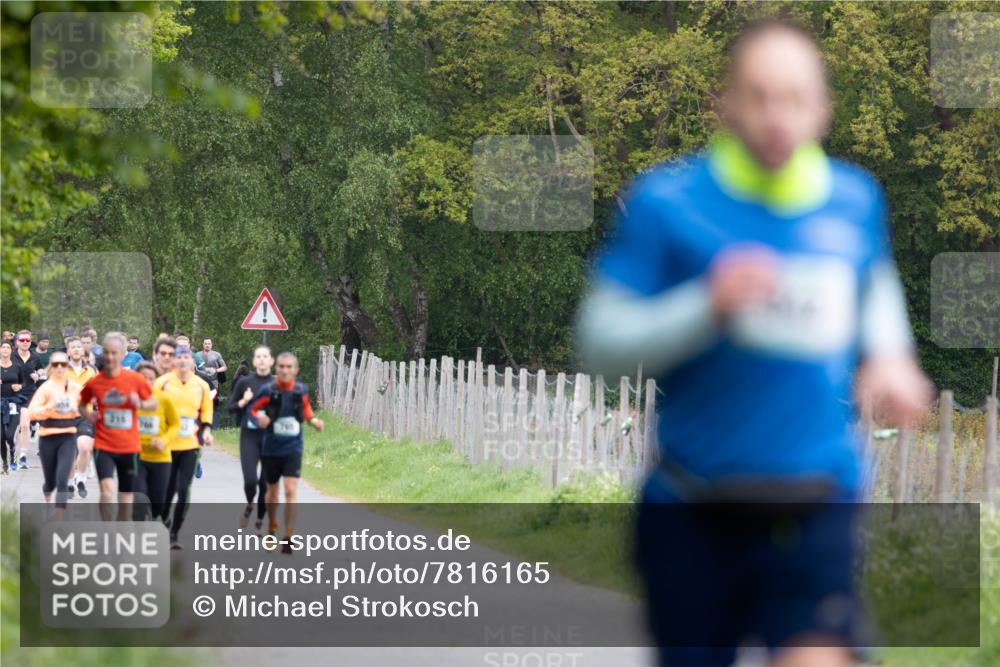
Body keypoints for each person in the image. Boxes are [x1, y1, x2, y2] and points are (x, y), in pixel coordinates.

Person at [576, 18, 931, 667]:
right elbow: (599, 344)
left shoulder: (854, 200)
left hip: (815, 498)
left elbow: (873, 282)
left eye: (795, 98)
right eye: (759, 95)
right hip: (693, 505)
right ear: (725, 102)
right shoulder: (666, 202)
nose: (776, 116)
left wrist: (890, 355)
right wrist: (706, 304)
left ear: (822, 109)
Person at [248, 352, 324, 554]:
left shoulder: (301, 391)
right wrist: (259, 420)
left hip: (293, 448)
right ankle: (272, 526)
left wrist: (314, 422)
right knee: (272, 492)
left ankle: (288, 536)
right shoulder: (268, 390)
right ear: (276, 369)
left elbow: (307, 411)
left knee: (290, 490)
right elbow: (252, 410)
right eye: (281, 366)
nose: (284, 370)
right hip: (271, 448)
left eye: (289, 367)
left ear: (295, 370)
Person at [79, 332, 156, 521]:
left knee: (125, 495)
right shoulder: (95, 382)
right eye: (106, 352)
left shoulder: (135, 380)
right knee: (106, 490)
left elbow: (153, 402)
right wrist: (89, 415)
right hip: (104, 446)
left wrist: (140, 404)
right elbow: (81, 403)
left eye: (114, 353)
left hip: (129, 447)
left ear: (123, 355)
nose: (110, 357)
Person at [156, 346, 213, 549]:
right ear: (173, 361)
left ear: (192, 361)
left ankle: (174, 533)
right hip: (166, 445)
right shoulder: (161, 383)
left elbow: (206, 414)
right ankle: (164, 519)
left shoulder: (201, 385)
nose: (182, 361)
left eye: (186, 357)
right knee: (166, 490)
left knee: (183, 488)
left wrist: (206, 431)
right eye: (178, 357)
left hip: (191, 444)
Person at [25, 351, 81, 517]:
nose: (59, 368)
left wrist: (79, 410)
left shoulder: (75, 388)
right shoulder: (46, 388)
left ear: (67, 366)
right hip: (47, 437)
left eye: (62, 364)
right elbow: (32, 412)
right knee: (50, 482)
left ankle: (59, 516)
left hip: (68, 436)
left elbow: (88, 408)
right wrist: (50, 408)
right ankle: (47, 498)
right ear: (51, 367)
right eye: (55, 364)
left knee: (62, 479)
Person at [228, 345, 275, 532]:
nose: (262, 359)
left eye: (265, 356)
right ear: (254, 361)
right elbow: (230, 408)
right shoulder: (244, 382)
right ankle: (249, 505)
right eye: (258, 356)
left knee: (265, 484)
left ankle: (260, 519)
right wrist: (244, 401)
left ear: (271, 361)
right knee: (250, 481)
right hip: (249, 437)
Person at [134, 361, 180, 522]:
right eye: (143, 378)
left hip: (160, 457)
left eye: (151, 378)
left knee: (158, 502)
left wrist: (163, 440)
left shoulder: (164, 399)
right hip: (136, 457)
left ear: (155, 380)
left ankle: (157, 517)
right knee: (138, 500)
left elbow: (175, 425)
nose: (147, 381)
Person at [66, 336, 99, 498]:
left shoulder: (91, 370)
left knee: (85, 447)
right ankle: (70, 483)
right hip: (66, 416)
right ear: (68, 351)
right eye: (73, 347)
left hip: (86, 414)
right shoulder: (61, 369)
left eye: (79, 347)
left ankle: (81, 478)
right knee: (70, 452)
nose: (77, 349)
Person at [12, 329, 42, 470]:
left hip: (29, 393)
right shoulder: (11, 355)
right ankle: (13, 453)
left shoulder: (35, 357)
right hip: (11, 394)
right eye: (22, 340)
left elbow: (40, 369)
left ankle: (22, 455)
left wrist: (37, 374)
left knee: (24, 425)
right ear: (17, 342)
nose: (25, 343)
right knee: (14, 427)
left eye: (27, 340)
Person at [1, 340, 26, 474]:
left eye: (8, 347)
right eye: (3, 347)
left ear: (11, 351)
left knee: (10, 436)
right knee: (1, 437)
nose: (5, 349)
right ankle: (5, 463)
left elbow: (23, 383)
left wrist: (19, 386)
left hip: (12, 403)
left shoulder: (17, 366)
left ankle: (12, 452)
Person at [199, 337, 227, 429]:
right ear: (203, 344)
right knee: (200, 404)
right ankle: (202, 426)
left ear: (211, 344)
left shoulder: (216, 354)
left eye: (209, 343)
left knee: (214, 405)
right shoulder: (198, 355)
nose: (207, 345)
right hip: (201, 384)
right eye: (205, 343)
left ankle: (215, 427)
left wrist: (216, 370)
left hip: (214, 384)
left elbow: (224, 367)